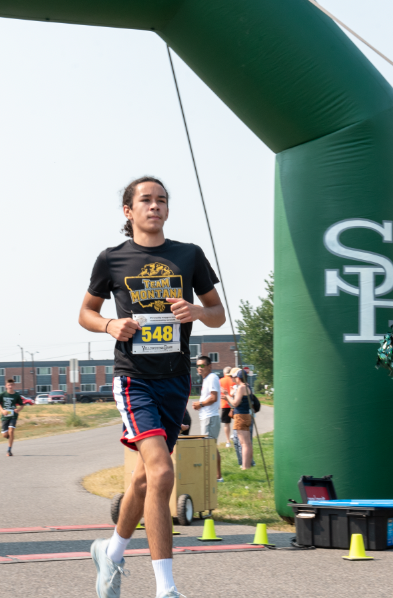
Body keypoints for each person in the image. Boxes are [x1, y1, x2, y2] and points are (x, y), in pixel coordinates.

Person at [78, 176, 225, 598]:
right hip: (134, 380)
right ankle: (167, 589)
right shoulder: (112, 259)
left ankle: (112, 551)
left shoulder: (188, 255)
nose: (155, 206)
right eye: (146, 200)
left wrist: (197, 310)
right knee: (162, 472)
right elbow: (86, 312)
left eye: (161, 200)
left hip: (175, 380)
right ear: (129, 211)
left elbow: (217, 314)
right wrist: (109, 324)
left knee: (144, 480)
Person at [192, 356, 223, 481]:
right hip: (207, 417)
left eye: (202, 365)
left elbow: (213, 397)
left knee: (208, 447)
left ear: (209, 366)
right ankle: (215, 475)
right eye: (198, 366)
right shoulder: (207, 379)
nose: (199, 368)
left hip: (210, 417)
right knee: (210, 447)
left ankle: (217, 476)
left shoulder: (212, 378)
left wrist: (201, 404)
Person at [222, 369, 253, 469]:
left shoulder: (241, 388)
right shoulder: (248, 387)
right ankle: (248, 465)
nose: (233, 379)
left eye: (234, 377)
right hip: (247, 415)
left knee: (244, 444)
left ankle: (245, 466)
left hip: (240, 416)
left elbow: (235, 403)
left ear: (238, 378)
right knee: (247, 443)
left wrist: (227, 395)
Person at [0, 378, 24, 457]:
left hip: (13, 415)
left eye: (11, 385)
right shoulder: (2, 394)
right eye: (8, 385)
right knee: (5, 435)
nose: (10, 386)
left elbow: (22, 404)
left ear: (14, 385)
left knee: (11, 431)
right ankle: (10, 437)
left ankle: (9, 450)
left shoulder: (16, 395)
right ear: (6, 386)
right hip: (5, 416)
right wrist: (2, 410)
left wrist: (18, 410)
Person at [219, 366, 234, 447]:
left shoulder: (220, 381)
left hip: (225, 404)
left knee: (226, 423)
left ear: (224, 373)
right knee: (236, 421)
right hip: (234, 403)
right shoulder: (234, 380)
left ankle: (228, 441)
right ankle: (235, 436)